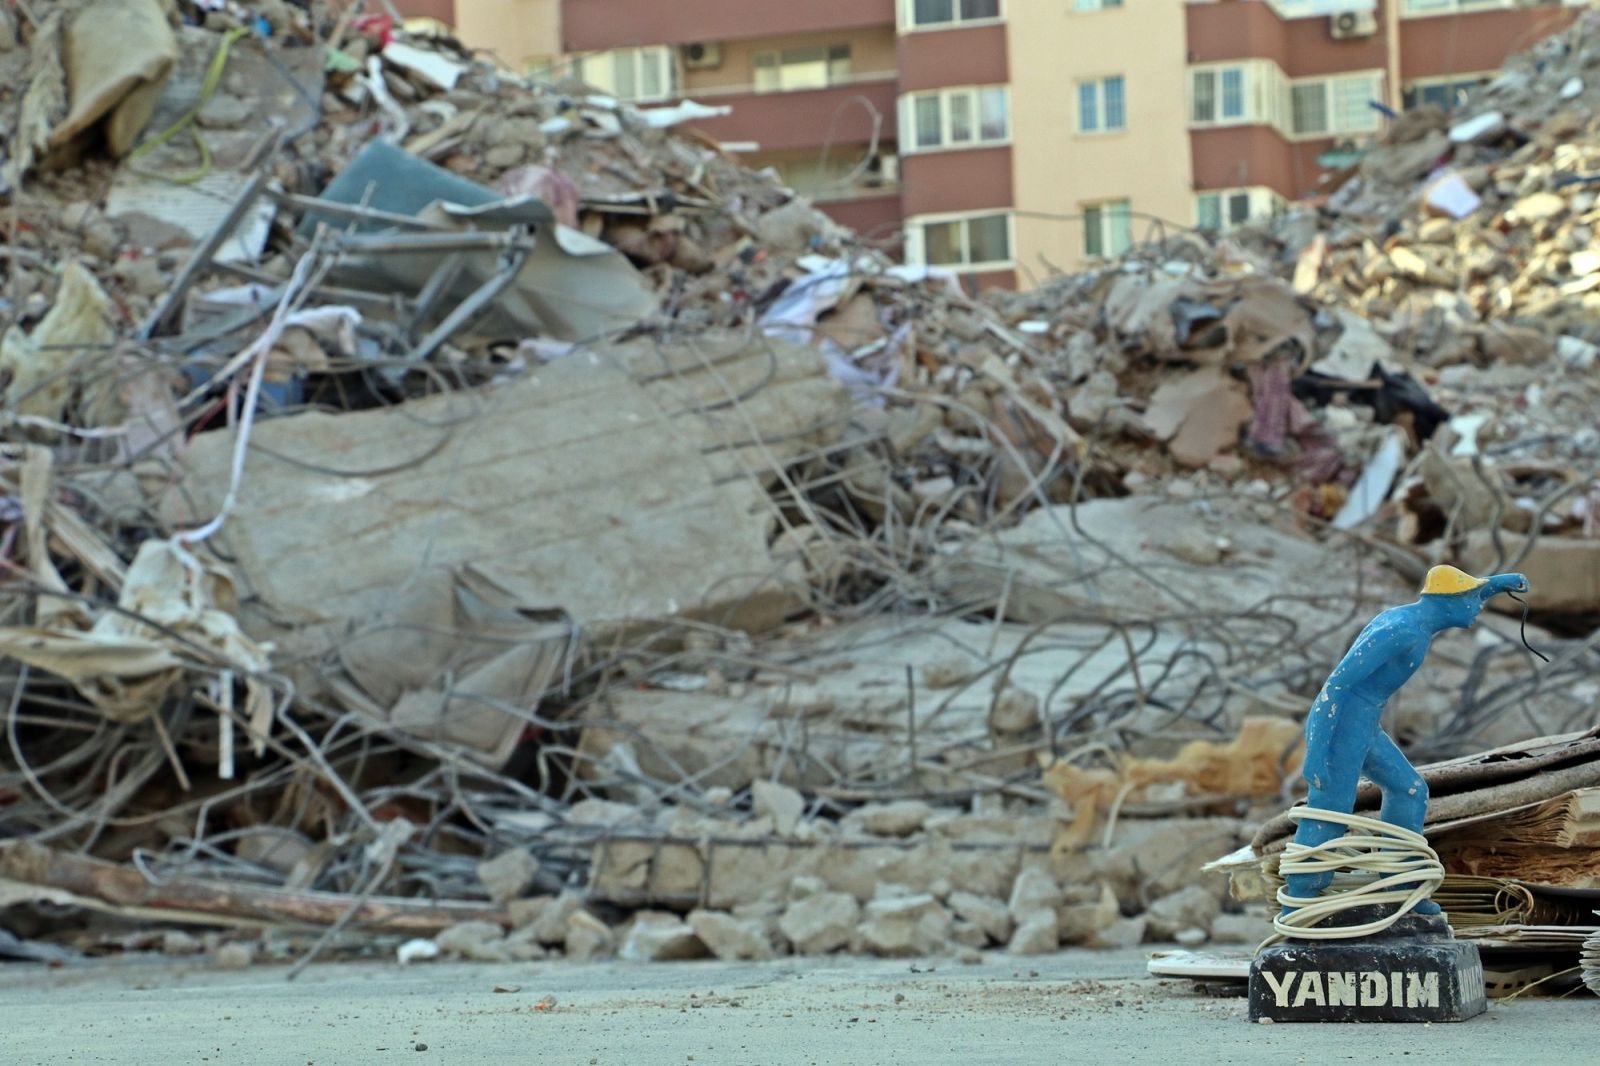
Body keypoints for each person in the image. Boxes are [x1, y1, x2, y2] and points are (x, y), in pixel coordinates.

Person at [1282, 565, 1530, 914]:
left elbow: (1465, 596)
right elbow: (1334, 687)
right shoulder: (1402, 631)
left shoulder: (1415, 619)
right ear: (1451, 601)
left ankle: (1401, 887)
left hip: (1366, 723)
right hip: (1345, 727)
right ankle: (1301, 897)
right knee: (1331, 808)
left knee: (1409, 788)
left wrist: (1499, 584)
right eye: (1473, 599)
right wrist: (1316, 752)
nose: (1479, 607)